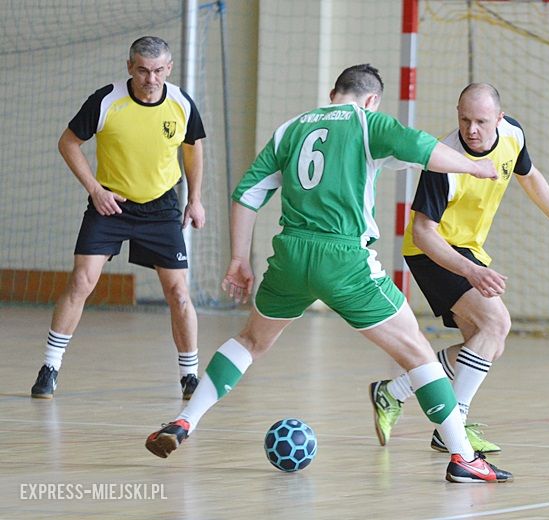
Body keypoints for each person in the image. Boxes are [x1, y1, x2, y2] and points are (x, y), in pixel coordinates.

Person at [145, 64, 512, 483]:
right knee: (418, 355)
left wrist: (239, 260)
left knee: (249, 341)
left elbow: (247, 193)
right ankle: (463, 458)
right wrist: (474, 167)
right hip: (344, 260)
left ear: (333, 92)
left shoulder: (291, 129)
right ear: (372, 99)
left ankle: (185, 420)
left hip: (290, 257)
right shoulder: (367, 122)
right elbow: (425, 148)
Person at [368, 83, 549, 453]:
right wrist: (470, 272)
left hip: (469, 248)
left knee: (486, 345)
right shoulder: (445, 161)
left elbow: (530, 176)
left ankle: (392, 392)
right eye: (464, 119)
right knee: (497, 324)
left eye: (480, 122)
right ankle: (451, 425)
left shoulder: (513, 135)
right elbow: (424, 233)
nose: (471, 129)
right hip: (434, 251)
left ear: (499, 119)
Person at [30, 36, 206, 400]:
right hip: (110, 203)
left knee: (178, 292)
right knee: (81, 281)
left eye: (158, 70)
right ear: (130, 67)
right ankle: (50, 367)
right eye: (142, 70)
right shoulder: (106, 100)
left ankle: (189, 375)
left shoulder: (181, 103)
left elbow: (192, 150)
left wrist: (195, 200)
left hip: (161, 207)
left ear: (168, 69)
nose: (150, 78)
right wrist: (95, 189)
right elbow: (68, 142)